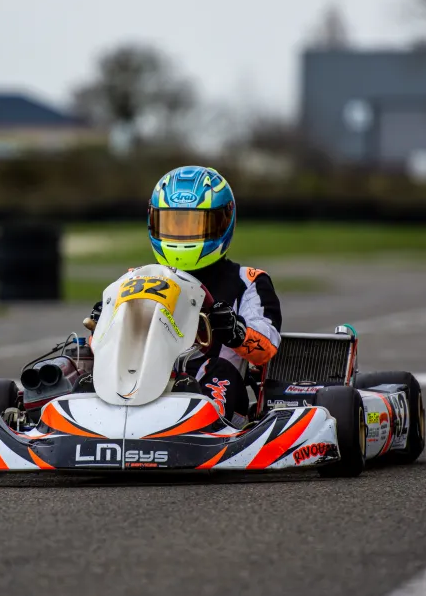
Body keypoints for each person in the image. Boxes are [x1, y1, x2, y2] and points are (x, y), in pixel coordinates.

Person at [84, 166, 282, 428]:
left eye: (196, 224)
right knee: (86, 375)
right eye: (174, 223)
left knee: (218, 368)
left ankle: (204, 426)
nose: (183, 233)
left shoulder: (248, 281)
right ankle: (83, 423)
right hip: (144, 383)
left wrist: (236, 331)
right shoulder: (137, 278)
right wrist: (104, 324)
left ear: (224, 222)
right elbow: (105, 346)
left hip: (211, 391)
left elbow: (267, 348)